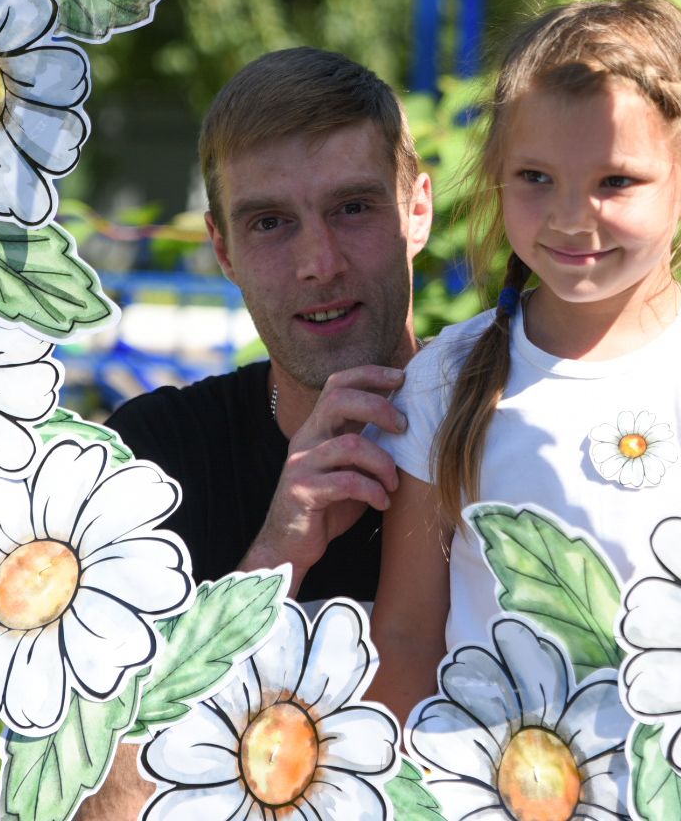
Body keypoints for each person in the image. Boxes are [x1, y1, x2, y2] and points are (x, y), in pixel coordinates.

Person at [368, 0, 681, 721]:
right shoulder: (443, 378)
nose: (573, 217)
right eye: (536, 178)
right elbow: (406, 639)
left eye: (616, 181)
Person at [81, 47, 432, 819]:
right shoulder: (153, 461)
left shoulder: (514, 430)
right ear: (223, 250)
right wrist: (272, 562)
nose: (318, 263)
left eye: (353, 208)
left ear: (417, 210)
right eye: (270, 223)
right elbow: (105, 805)